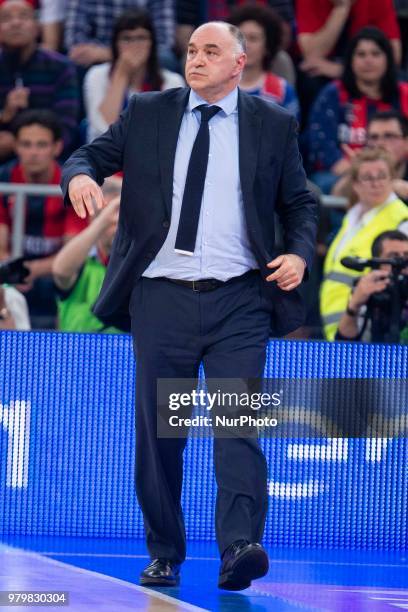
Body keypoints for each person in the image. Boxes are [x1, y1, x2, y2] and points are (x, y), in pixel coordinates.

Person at [61, 22, 318, 591]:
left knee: (236, 427)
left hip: (239, 300)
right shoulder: (148, 110)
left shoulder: (271, 123)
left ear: (239, 63)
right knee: (161, 435)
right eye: (191, 51)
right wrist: (80, 179)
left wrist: (298, 255)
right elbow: (87, 156)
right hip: (161, 298)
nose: (196, 59)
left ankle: (239, 548)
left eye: (210, 51)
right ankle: (165, 552)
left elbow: (300, 204)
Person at [0, 110, 87, 328]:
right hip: (10, 271)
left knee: (78, 272)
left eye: (41, 145)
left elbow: (72, 250)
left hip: (56, 273)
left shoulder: (72, 184)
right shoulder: (3, 179)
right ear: (16, 146)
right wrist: (15, 271)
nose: (33, 152)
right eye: (26, 144)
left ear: (56, 147)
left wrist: (31, 270)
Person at [307, 27, 408, 194]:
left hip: (399, 171)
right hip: (341, 175)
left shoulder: (404, 93)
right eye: (361, 54)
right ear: (350, 60)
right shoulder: (332, 95)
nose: (368, 60)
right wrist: (365, 173)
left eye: (375, 54)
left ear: (388, 59)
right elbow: (322, 147)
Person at [320, 148, 408, 341]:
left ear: (392, 179)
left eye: (382, 176)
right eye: (368, 177)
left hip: (373, 326)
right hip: (341, 328)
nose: (376, 183)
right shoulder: (352, 218)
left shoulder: (402, 219)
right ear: (355, 185)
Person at [83, 9, 184, 143]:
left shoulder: (172, 81)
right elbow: (104, 129)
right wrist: (121, 73)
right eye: (127, 38)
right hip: (106, 157)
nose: (134, 45)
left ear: (151, 43)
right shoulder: (96, 75)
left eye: (141, 38)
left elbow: (170, 133)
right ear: (115, 44)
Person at [0, 0, 79, 162]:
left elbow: (67, 126)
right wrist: (4, 116)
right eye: (6, 18)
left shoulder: (61, 67)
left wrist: (25, 146)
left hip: (50, 156)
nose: (16, 23)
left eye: (24, 16)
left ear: (37, 27)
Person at [53, 178, 123, 333]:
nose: (116, 225)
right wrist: (103, 219)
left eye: (121, 217)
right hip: (75, 353)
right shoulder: (80, 260)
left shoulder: (140, 265)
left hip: (123, 354)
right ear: (94, 219)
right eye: (107, 217)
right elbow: (60, 270)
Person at [336, 229, 408, 342]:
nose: (402, 263)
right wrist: (354, 305)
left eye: (406, 256)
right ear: (376, 265)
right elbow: (344, 348)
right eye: (394, 256)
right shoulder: (371, 293)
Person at [228, 4, 299, 117]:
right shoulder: (217, 86)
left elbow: (290, 132)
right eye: (241, 38)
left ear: (267, 46)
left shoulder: (282, 90)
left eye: (253, 38)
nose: (246, 45)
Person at [64, 0, 175, 69]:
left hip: (143, 49)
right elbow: (74, 39)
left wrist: (113, 54)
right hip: (97, 51)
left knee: (165, 59)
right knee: (78, 58)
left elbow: (163, 40)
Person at [332, 110, 408, 202]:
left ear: (406, 142)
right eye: (374, 137)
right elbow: (337, 196)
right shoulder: (364, 167)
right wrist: (355, 170)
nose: (380, 143)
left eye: (389, 136)